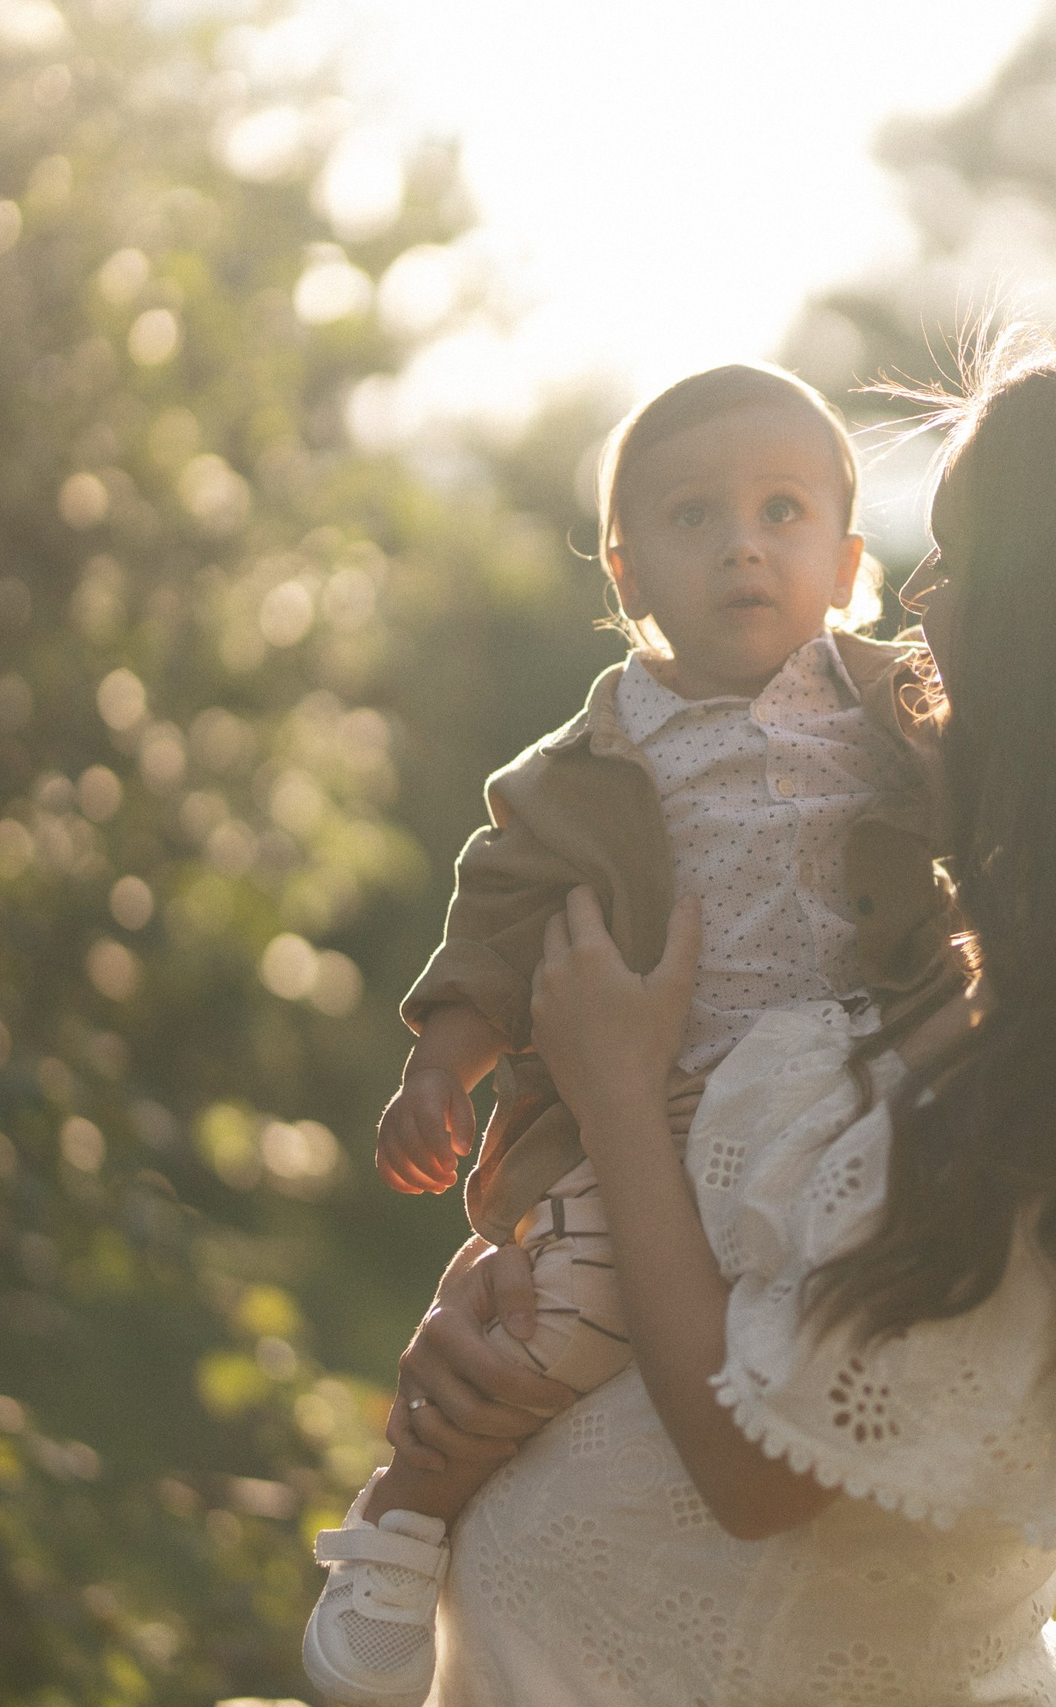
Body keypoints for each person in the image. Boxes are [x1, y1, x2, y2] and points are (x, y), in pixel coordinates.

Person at [377, 335, 1056, 1705]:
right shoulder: (978, 970)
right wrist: (511, 1297)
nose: (917, 594)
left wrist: (617, 1095)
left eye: (966, 555)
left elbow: (755, 1474)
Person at [300, 361, 954, 1707]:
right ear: (626, 570)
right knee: (542, 1326)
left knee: (829, 1327)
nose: (743, 545)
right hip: (638, 1127)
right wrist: (440, 1067)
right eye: (693, 517)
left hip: (843, 1120)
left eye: (783, 511)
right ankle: (401, 1525)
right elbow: (497, 925)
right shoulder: (587, 767)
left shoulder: (907, 716)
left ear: (846, 561)